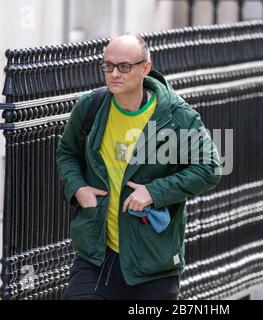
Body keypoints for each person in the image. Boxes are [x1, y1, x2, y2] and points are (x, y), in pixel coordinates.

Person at [56, 33, 222, 300]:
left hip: (152, 264)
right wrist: (78, 188)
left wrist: (154, 192)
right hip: (97, 257)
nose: (114, 74)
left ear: (145, 67)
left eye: (124, 66)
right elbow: (67, 153)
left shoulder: (177, 117)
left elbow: (209, 167)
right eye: (107, 66)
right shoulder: (91, 107)